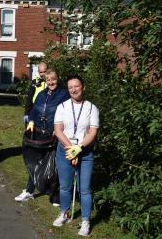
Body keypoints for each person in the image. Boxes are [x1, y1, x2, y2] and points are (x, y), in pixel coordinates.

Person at [52, 74, 99, 237]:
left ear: (83, 87)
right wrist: (70, 147)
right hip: (64, 150)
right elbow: (58, 130)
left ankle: (85, 221)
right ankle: (64, 213)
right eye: (70, 87)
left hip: (85, 153)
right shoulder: (62, 107)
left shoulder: (92, 108)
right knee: (64, 186)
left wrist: (78, 148)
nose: (73, 89)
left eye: (76, 86)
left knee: (84, 189)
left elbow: (93, 132)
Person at [15, 69, 69, 204]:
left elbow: (67, 114)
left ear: (58, 79)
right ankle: (29, 191)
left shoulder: (64, 95)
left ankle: (55, 195)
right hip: (39, 133)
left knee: (54, 165)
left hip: (55, 134)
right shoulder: (41, 94)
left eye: (53, 79)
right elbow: (34, 110)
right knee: (35, 163)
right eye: (48, 80)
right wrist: (31, 121)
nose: (51, 82)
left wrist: (59, 129)